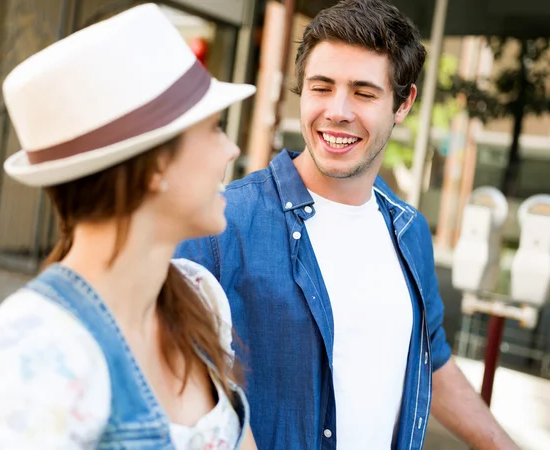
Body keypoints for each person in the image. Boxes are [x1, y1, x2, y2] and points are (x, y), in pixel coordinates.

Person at [176, 0, 518, 449]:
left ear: (403, 103)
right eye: (322, 87)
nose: (337, 111)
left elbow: (429, 357)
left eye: (363, 92)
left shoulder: (408, 230)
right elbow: (167, 374)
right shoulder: (222, 223)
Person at [0, 5, 258, 449]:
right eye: (213, 128)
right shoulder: (30, 357)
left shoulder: (199, 294)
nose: (230, 149)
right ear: (156, 164)